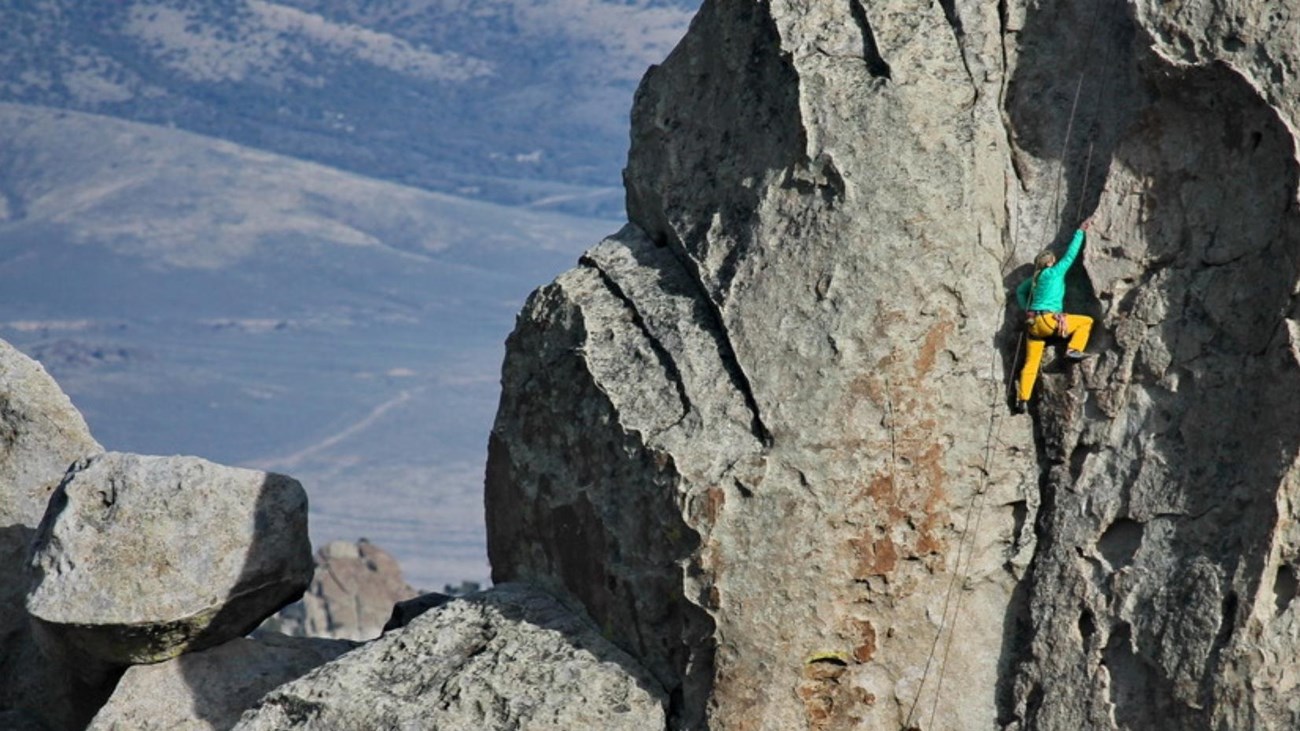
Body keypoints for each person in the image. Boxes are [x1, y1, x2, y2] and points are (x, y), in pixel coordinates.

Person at [1013, 219, 1094, 413]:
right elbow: (1070, 256)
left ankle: (1022, 398)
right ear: (1050, 262)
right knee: (1086, 322)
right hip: (1049, 321)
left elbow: (1019, 292)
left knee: (1031, 363)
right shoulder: (1054, 273)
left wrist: (1027, 308)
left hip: (1034, 324)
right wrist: (1080, 232)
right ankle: (1074, 349)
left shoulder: (1034, 279)